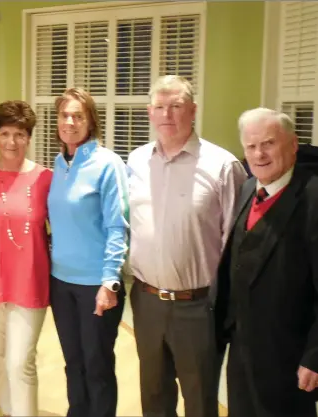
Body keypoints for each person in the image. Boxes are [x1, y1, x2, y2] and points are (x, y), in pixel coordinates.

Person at [126, 75, 247, 417]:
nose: (168, 114)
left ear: (193, 110)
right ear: (150, 113)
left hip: (197, 307)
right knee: (153, 396)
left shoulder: (223, 166)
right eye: (160, 107)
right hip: (146, 300)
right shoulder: (135, 162)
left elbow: (236, 244)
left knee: (199, 400)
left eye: (176, 106)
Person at [214, 107, 318, 417]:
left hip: (289, 356)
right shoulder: (249, 188)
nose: (259, 154)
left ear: (292, 145)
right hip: (242, 349)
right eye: (251, 146)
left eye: (268, 143)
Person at [47, 87, 129, 417]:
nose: (70, 121)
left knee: (97, 365)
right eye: (64, 115)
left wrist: (109, 283)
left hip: (97, 285)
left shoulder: (108, 164)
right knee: (73, 362)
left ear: (90, 121)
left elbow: (117, 226)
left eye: (78, 116)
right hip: (61, 283)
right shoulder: (58, 163)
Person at [0, 100, 52, 416]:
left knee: (22, 362)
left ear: (29, 137)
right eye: (5, 133)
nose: (11, 142)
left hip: (29, 285)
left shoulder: (46, 178)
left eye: (19, 134)